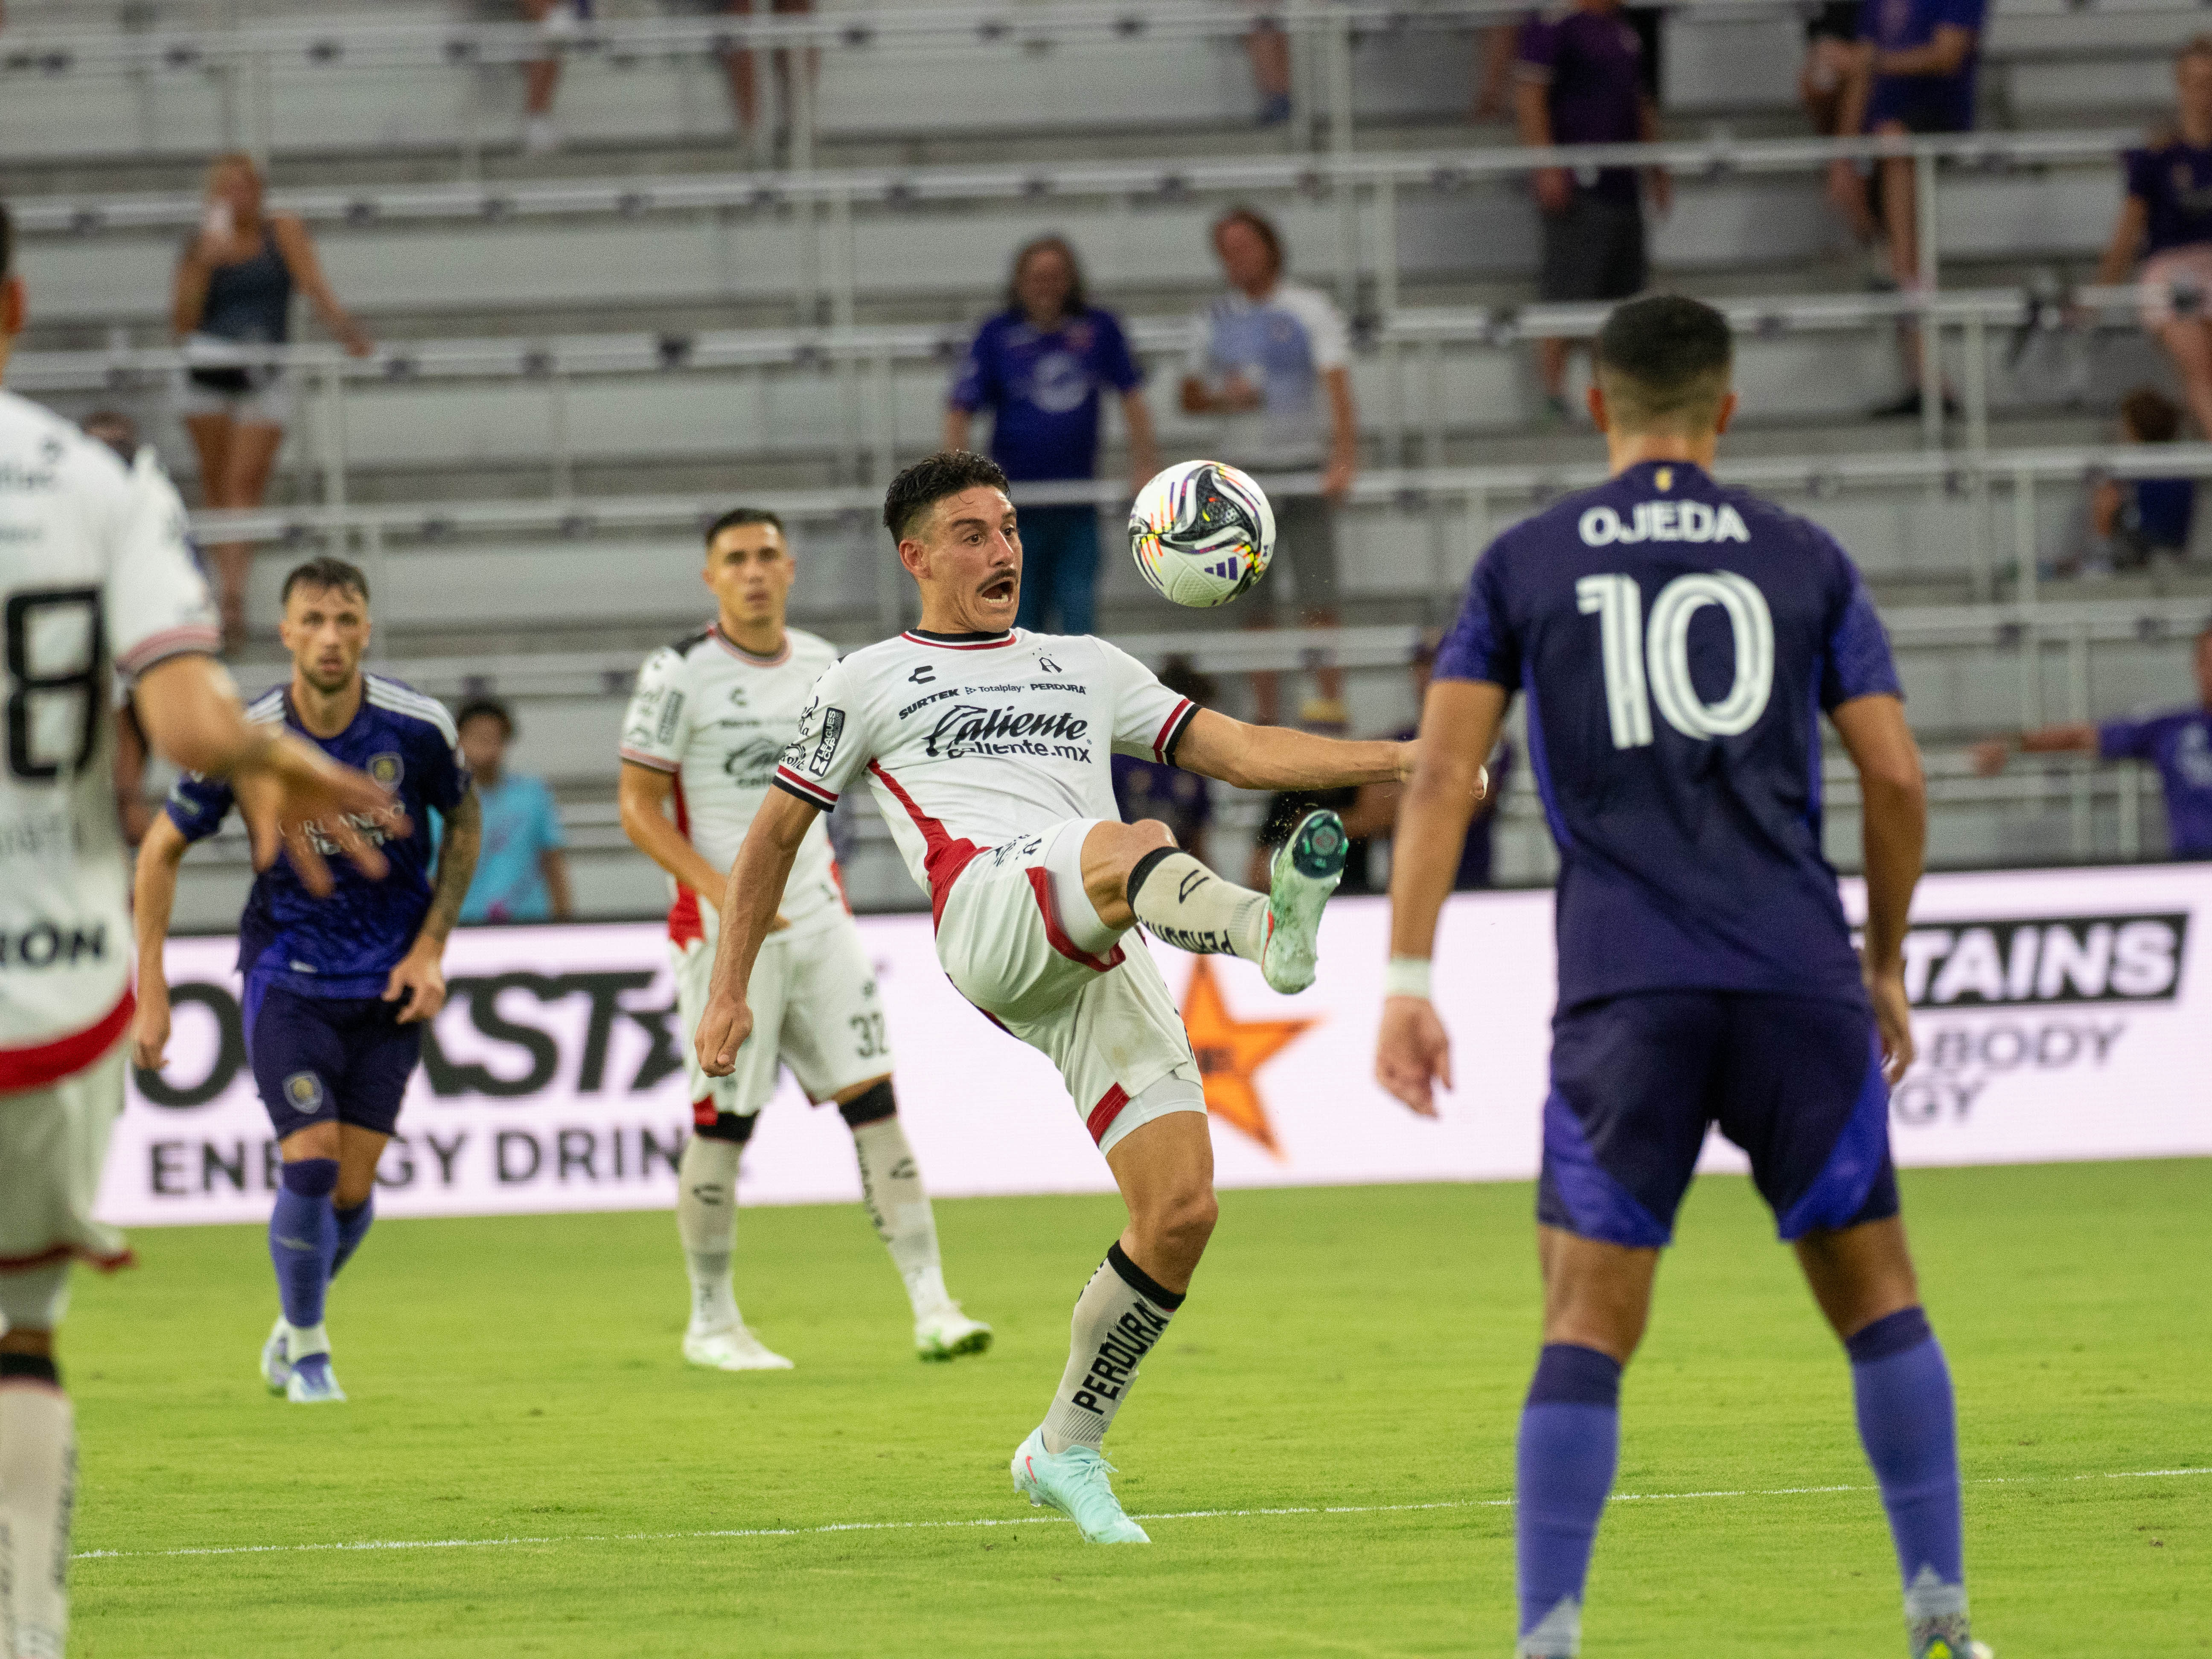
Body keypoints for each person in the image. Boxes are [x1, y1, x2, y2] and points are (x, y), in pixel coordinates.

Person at [1378, 295, 1988, 1659]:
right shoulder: (1804, 557)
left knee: (1585, 1319)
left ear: (1598, 406)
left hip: (1625, 993)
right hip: (1794, 980)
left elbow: (1438, 777)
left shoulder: (1525, 562)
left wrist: (1407, 974)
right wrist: (1882, 961)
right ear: (1727, 408)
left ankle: (1549, 1638)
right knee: (1882, 1301)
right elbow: (1895, 774)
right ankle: (1943, 1620)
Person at [693, 451, 1422, 1542]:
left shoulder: (1085, 663)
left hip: (1101, 938)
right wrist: (727, 989)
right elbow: (771, 838)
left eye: (1009, 528)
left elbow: (1244, 751)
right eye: (974, 533)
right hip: (989, 912)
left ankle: (1064, 1449)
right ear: (917, 556)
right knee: (1125, 838)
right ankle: (1265, 929)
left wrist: (1410, 755)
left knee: (1179, 1213)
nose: (1003, 550)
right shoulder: (864, 680)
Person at [0, 202, 398, 1659]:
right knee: (18, 1337)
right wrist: (264, 754)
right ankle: (29, 1628)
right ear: (18, 302)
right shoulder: (96, 487)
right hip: (43, 994)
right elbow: (180, 716)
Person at [619, 506, 991, 1369]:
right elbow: (636, 808)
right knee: (723, 1122)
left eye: (767, 557)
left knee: (875, 1102)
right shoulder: (680, 672)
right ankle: (711, 1321)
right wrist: (725, 893)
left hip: (822, 920)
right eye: (735, 559)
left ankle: (934, 1304)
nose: (753, 571)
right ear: (711, 578)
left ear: (790, 570)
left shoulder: (831, 667)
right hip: (722, 932)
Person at [133, 556, 480, 1407]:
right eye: (313, 621)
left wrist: (432, 946)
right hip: (288, 975)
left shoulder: (416, 726)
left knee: (355, 1192)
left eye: (346, 620)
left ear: (366, 628)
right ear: (285, 631)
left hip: (390, 982)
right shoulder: (242, 735)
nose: (331, 637)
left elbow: (464, 820)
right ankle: (314, 1354)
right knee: (314, 1164)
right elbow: (160, 850)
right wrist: (151, 984)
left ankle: (292, 1327)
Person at [171, 154, 373, 649]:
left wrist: (347, 332)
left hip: (264, 369)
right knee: (217, 487)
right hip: (209, 366)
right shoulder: (200, 245)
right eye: (227, 188)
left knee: (244, 484)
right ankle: (219, 592)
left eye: (245, 186)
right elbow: (181, 322)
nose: (237, 196)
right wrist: (205, 260)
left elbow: (313, 287)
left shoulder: (281, 231)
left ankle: (233, 596)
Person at [1181, 207, 1359, 726]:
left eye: (1246, 246)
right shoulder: (1213, 319)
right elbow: (1189, 396)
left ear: (1270, 246)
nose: (1238, 259)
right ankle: (1264, 720)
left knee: (1318, 593)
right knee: (1252, 604)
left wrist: (1345, 456)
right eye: (1228, 250)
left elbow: (1337, 384)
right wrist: (1223, 400)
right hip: (1240, 477)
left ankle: (1329, 706)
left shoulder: (1307, 308)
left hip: (1301, 463)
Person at [943, 236, 1161, 637]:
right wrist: (960, 484)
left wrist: (1146, 465)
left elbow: (1132, 397)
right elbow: (960, 409)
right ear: (1020, 282)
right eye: (1037, 277)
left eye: (1056, 277)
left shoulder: (1100, 328)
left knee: (1079, 621)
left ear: (1072, 281)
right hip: (1012, 510)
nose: (1046, 286)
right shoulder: (996, 334)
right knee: (1016, 620)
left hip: (1079, 501)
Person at [1829, 0, 1988, 419]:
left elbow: (1947, 54)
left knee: (1905, 256)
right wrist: (1843, 155)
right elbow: (1862, 70)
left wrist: (1874, 63)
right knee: (1891, 247)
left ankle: (1901, 265)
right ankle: (1925, 379)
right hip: (1886, 137)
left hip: (1929, 126)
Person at [1515, 0, 1671, 422]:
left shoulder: (1625, 27)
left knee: (1619, 300)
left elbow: (1640, 102)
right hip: (1578, 182)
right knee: (1567, 291)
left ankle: (1610, 397)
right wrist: (1546, 163)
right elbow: (1530, 94)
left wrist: (1656, 166)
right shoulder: (1556, 21)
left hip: (1623, 183)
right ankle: (1551, 397)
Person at [1971, 622, 2212, 860]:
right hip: (2191, 870)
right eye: (2208, 660)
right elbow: (2082, 737)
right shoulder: (2170, 729)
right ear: (2196, 665)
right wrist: (2013, 745)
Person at [2092, 39, 2212, 440]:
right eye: (2196, 83)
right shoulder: (2157, 157)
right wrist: (2099, 296)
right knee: (2197, 363)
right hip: (2174, 270)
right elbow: (2128, 231)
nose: (2204, 94)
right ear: (2180, 86)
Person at [457, 697, 573, 924]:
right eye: (479, 736)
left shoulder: (534, 795)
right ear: (459, 741)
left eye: (495, 737)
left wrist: (565, 924)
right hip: (465, 930)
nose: (487, 745)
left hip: (530, 927)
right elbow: (431, 875)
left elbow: (553, 864)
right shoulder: (444, 803)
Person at [1111, 655, 1217, 866]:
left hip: (1170, 873)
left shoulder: (1194, 772)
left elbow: (1197, 844)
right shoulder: (1122, 763)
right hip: (1120, 869)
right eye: (1198, 718)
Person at [2082, 387, 2197, 574]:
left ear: (2134, 430)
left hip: (2143, 559)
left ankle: (2098, 565)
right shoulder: (2181, 466)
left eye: (2122, 424)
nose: (2117, 429)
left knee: (2106, 496)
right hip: (2167, 556)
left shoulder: (2142, 472)